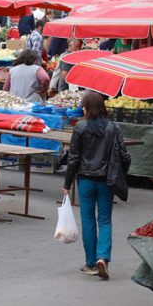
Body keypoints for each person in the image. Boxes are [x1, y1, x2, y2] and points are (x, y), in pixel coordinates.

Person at [63, 91, 132, 280]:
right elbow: (124, 156)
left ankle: (91, 263)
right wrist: (120, 175)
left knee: (88, 220)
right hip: (106, 180)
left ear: (86, 107)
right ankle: (103, 258)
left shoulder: (80, 128)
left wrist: (67, 183)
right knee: (105, 220)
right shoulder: (113, 128)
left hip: (85, 179)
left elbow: (73, 158)